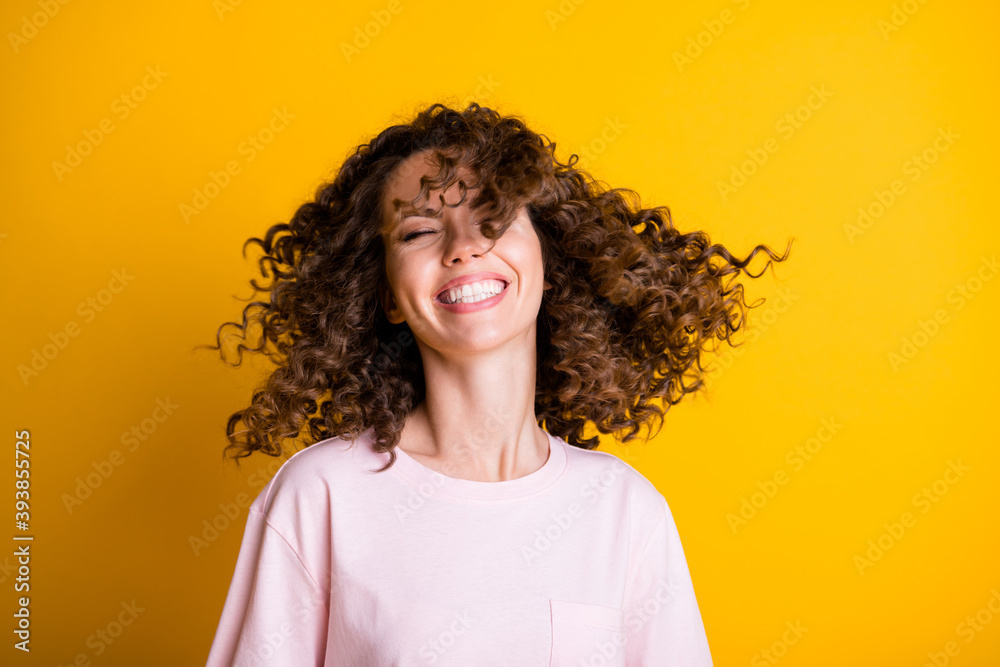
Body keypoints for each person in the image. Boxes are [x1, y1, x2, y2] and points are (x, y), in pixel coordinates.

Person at [202, 102, 792, 666]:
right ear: (386, 295)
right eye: (417, 232)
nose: (463, 248)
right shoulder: (322, 495)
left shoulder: (624, 510)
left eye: (494, 219)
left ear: (550, 261)